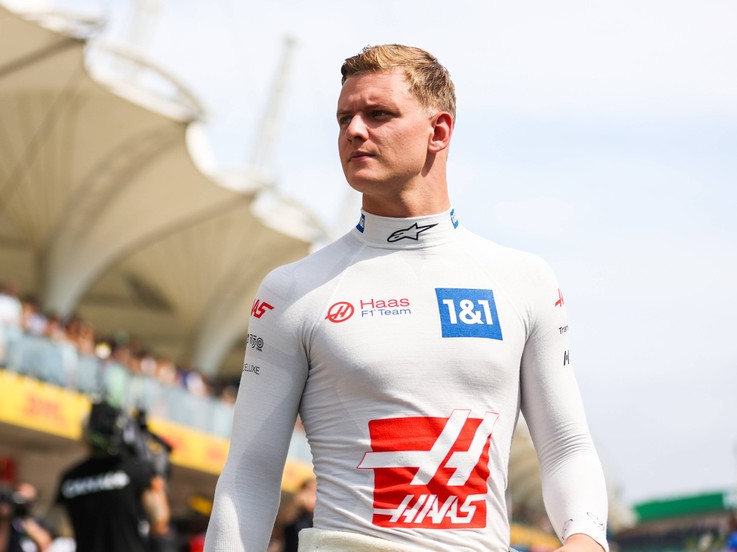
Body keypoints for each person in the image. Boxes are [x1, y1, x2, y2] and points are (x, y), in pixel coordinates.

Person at [204, 44, 609, 551]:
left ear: (438, 132)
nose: (354, 131)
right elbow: (250, 473)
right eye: (344, 117)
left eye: (378, 115)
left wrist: (587, 539)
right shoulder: (292, 291)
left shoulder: (524, 281)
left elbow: (567, 447)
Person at [53, 402, 163, 552]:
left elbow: (63, 530)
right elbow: (159, 521)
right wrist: (157, 474)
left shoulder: (69, 478)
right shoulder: (135, 470)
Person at [0, 481, 54, 552]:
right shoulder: (0, 523)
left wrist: (27, 524)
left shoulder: (35, 522)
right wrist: (4, 521)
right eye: (20, 497)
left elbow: (45, 544)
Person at [280, 478, 316, 552]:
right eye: (309, 490)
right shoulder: (294, 507)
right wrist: (296, 505)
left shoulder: (318, 513)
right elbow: (284, 523)